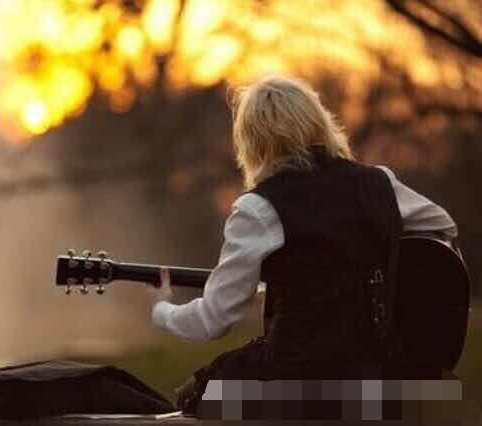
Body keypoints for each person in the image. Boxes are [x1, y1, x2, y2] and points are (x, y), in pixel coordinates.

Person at [146, 74, 458, 414]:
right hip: (374, 372)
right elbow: (442, 225)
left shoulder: (258, 209)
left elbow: (213, 319)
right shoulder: (379, 184)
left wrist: (163, 311)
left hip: (295, 381)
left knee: (196, 398)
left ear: (253, 140)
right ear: (318, 123)